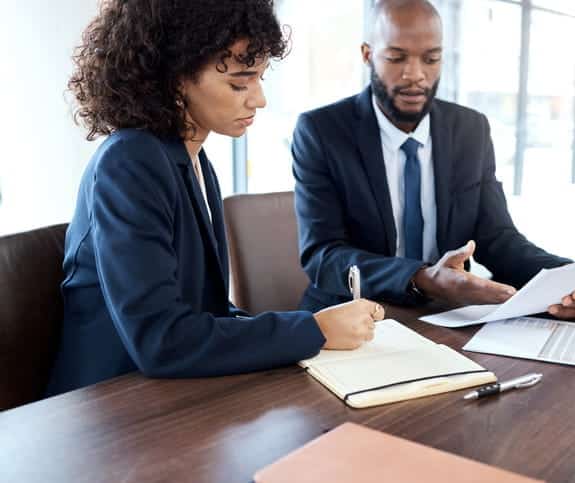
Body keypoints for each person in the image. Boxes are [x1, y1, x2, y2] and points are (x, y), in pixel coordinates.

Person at [45, 0, 383, 397]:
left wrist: (313, 326)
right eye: (240, 82)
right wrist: (313, 330)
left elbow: (208, 313)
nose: (259, 99)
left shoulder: (193, 159)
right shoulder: (129, 162)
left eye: (259, 78)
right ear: (174, 78)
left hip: (165, 395)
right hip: (107, 413)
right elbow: (162, 339)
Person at [292, 0, 575, 318]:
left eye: (431, 59)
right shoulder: (321, 132)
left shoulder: (471, 129)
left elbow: (497, 237)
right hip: (350, 315)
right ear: (368, 54)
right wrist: (422, 278)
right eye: (396, 57)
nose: (415, 75)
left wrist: (568, 278)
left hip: (446, 315)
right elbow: (323, 255)